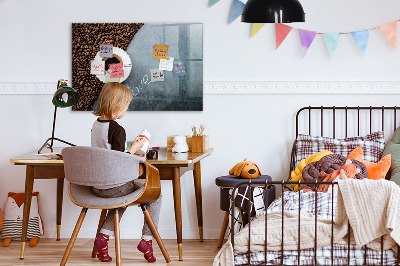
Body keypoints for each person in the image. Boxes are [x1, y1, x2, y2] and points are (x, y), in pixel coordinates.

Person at [91, 82, 161, 263]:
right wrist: (136, 148)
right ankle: (147, 240)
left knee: (121, 198)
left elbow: (108, 154)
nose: (126, 110)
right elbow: (119, 161)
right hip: (114, 186)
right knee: (156, 194)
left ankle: (103, 238)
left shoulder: (96, 125)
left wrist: (131, 149)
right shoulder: (117, 129)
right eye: (126, 106)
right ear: (117, 105)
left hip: (97, 186)